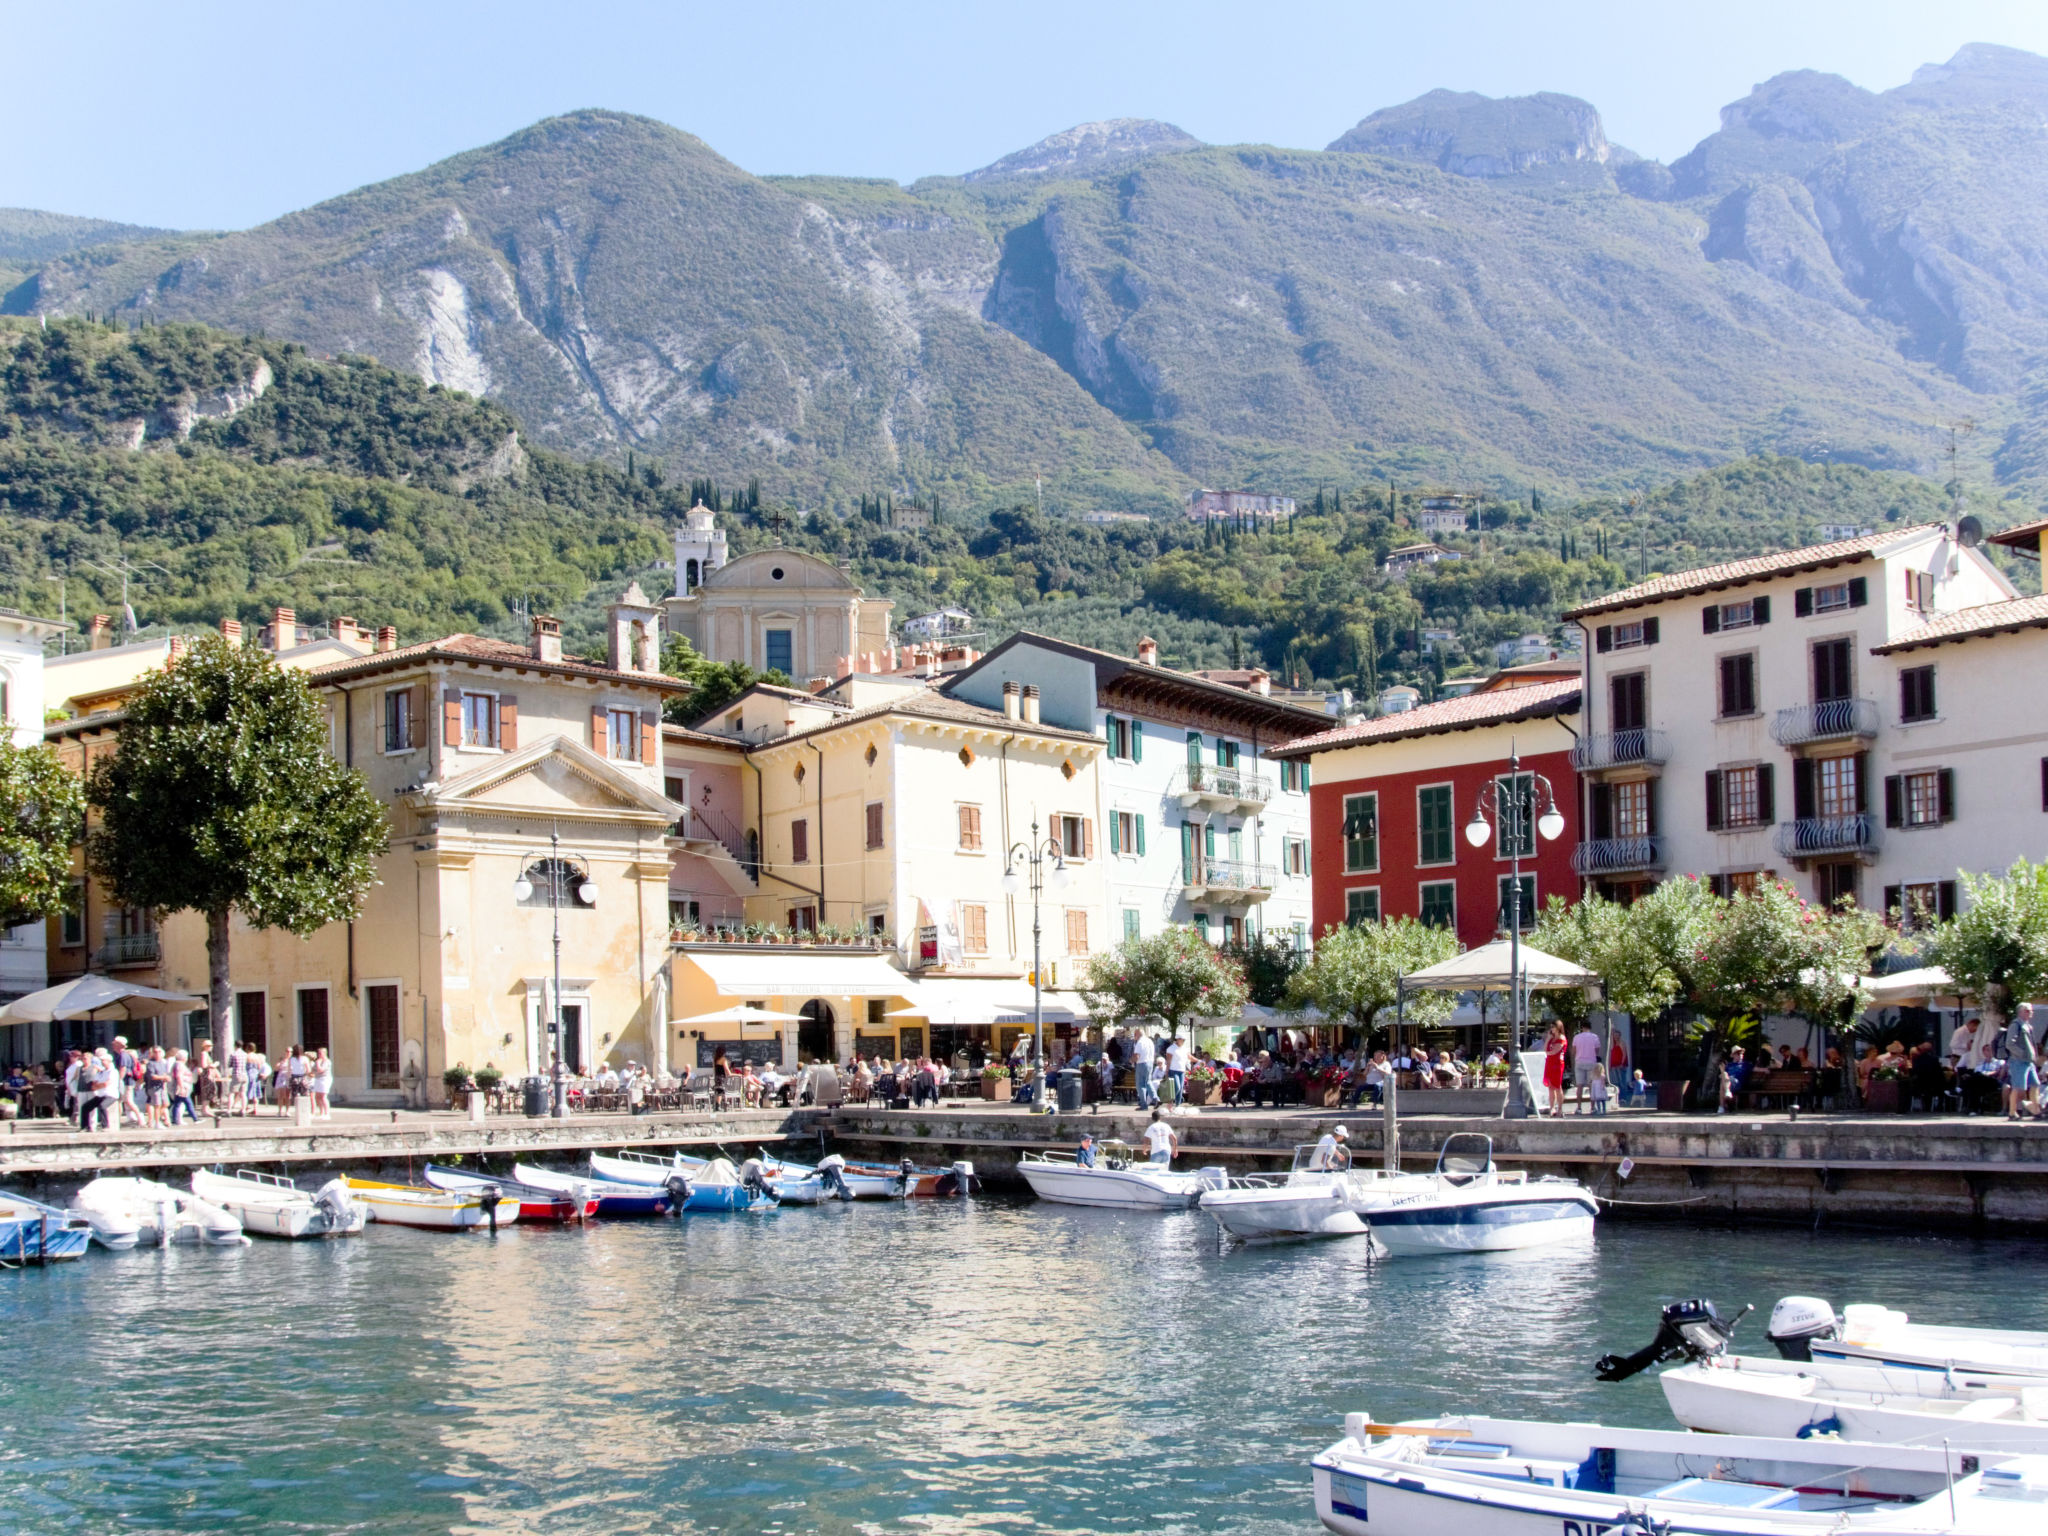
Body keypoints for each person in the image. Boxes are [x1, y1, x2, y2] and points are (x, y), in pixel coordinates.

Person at [2000, 1003, 2041, 1122]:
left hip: (2029, 1062)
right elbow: (2009, 1044)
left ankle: (2036, 1110)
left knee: (2035, 1084)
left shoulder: (2028, 1026)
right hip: (2018, 1061)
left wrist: (2034, 1057)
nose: (2031, 1012)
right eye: (2027, 1010)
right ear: (2021, 1012)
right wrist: (2022, 1054)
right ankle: (2012, 1113)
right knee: (2018, 1087)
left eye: (2031, 1010)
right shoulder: (2016, 1025)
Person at [1569, 1022, 1602, 1114]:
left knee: (1579, 1086)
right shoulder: (1594, 1037)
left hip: (1579, 1062)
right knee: (1591, 1085)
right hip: (1591, 1062)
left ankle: (1579, 1108)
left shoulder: (1576, 1037)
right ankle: (1592, 1108)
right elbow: (1597, 1050)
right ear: (1590, 1027)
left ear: (1582, 1027)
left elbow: (1573, 1050)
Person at [1542, 1023, 1568, 1118]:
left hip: (1557, 1064)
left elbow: (1555, 1051)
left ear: (1558, 1028)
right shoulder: (1552, 1038)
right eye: (1551, 1027)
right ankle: (1552, 1108)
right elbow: (1545, 1048)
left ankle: (1560, 1109)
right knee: (1550, 1086)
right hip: (1549, 1062)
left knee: (1557, 1086)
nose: (1551, 1028)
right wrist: (1548, 1038)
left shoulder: (1561, 1038)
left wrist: (1547, 1053)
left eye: (1553, 1027)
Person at [142, 1047, 172, 1129]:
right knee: (157, 1104)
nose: (157, 1053)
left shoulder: (163, 1063)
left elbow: (165, 1073)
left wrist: (167, 1078)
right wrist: (163, 1077)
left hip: (161, 1086)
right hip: (153, 1087)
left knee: (165, 1103)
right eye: (155, 1052)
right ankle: (157, 1123)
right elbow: (152, 1076)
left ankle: (156, 1119)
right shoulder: (151, 1063)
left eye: (159, 1051)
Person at [1131, 1029, 1158, 1109]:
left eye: (1135, 1034)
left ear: (1137, 1034)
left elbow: (1137, 1056)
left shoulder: (1140, 1042)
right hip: (1150, 1063)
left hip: (1142, 1063)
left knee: (1140, 1085)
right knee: (1148, 1082)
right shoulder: (1150, 1041)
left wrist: (1131, 1060)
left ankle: (1143, 1105)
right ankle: (1156, 1098)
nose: (1134, 1037)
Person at [1164, 1035, 1190, 1105]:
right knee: (1177, 1087)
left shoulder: (1184, 1048)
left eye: (1184, 1040)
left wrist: (1198, 1060)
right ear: (1177, 1039)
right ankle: (1169, 1101)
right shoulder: (1171, 1048)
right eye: (1182, 1040)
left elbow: (1189, 1057)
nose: (1183, 1041)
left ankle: (1178, 1105)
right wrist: (1167, 1071)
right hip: (1173, 1070)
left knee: (1181, 1089)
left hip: (1182, 1070)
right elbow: (1168, 1061)